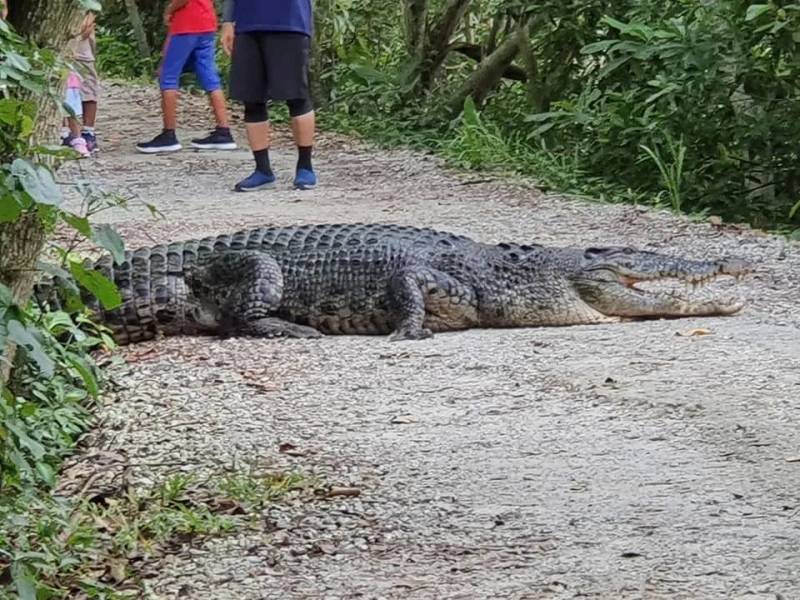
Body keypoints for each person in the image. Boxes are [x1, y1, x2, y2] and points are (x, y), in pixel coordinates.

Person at [221, 0, 317, 191]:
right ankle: (262, 170)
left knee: (297, 96)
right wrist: (227, 20)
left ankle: (305, 166)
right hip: (247, 23)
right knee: (252, 97)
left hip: (290, 21)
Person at [137, 0, 236, 154]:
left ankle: (168, 135)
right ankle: (224, 131)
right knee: (210, 77)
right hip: (206, 21)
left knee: (168, 76)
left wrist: (170, 9)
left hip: (186, 23)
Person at [62, 12, 99, 153]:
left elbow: (88, 19)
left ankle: (88, 132)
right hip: (61, 48)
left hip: (82, 51)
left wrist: (87, 20)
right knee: (65, 91)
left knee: (88, 90)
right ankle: (66, 132)